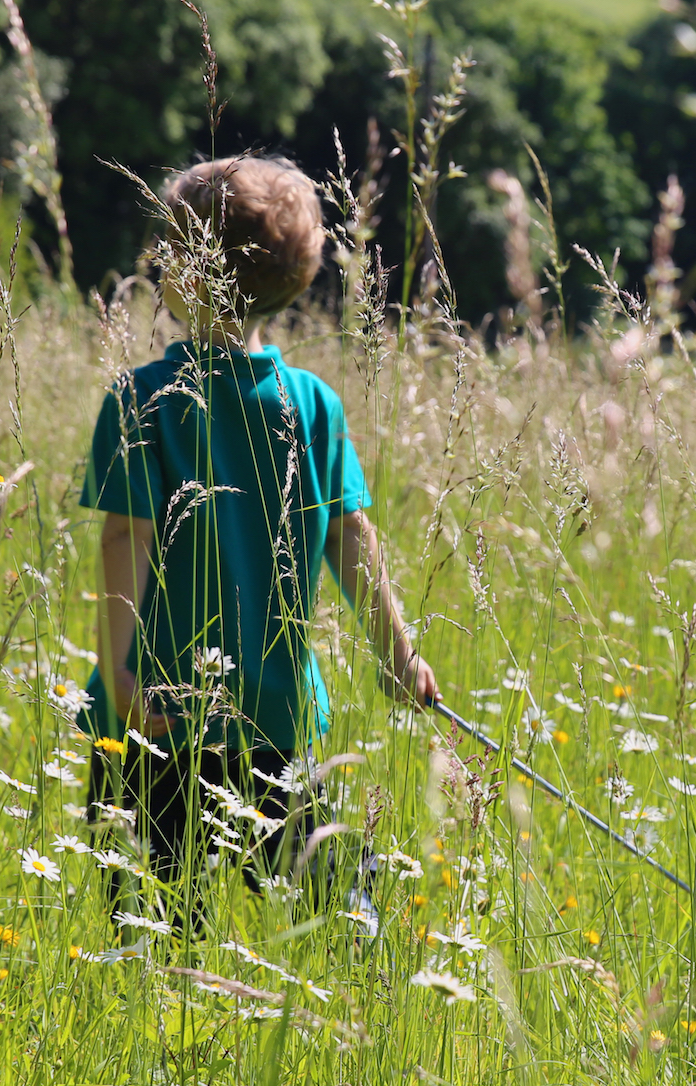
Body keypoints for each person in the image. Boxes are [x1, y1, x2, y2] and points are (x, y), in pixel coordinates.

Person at [78, 155, 440, 922]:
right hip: (275, 712)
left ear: (183, 270)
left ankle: (167, 995)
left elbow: (124, 539)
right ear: (295, 280)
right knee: (322, 889)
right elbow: (351, 538)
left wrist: (118, 674)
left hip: (156, 711)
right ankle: (364, 947)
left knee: (152, 916)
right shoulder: (312, 404)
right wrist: (398, 655)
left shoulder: (141, 399)